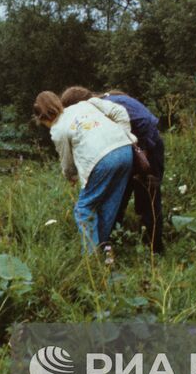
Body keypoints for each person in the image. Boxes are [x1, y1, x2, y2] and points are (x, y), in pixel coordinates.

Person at [34, 90, 135, 265]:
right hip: (126, 151)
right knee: (109, 204)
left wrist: (70, 176)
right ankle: (104, 249)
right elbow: (120, 111)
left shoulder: (58, 129)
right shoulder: (84, 104)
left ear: (42, 117)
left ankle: (90, 260)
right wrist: (126, 135)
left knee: (84, 209)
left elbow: (66, 160)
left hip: (102, 160)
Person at [61, 86, 165, 254]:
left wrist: (143, 149)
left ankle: (155, 250)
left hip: (148, 148)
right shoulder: (100, 106)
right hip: (127, 151)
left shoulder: (104, 107)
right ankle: (109, 243)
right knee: (118, 197)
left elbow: (146, 120)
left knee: (148, 199)